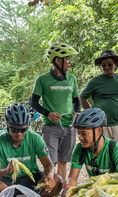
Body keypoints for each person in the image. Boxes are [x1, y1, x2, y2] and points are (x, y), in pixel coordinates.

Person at [0, 103, 63, 197]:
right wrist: (5, 170)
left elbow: (48, 165)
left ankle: (11, 196)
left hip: (33, 179)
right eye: (14, 130)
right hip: (8, 181)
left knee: (58, 181)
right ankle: (21, 195)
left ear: (28, 125)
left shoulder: (35, 138)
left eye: (23, 130)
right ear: (7, 125)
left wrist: (50, 176)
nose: (19, 134)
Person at [31, 42, 81, 182]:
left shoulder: (72, 79)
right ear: (58, 60)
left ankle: (60, 192)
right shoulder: (42, 80)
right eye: (68, 59)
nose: (70, 62)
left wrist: (77, 112)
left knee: (63, 161)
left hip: (69, 127)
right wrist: (48, 114)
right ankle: (50, 189)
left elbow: (77, 100)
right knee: (50, 162)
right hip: (51, 128)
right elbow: (33, 102)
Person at [63, 108, 118, 197]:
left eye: (84, 133)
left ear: (99, 131)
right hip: (95, 192)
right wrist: (68, 189)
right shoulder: (80, 148)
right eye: (79, 133)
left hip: (115, 194)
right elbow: (72, 178)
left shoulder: (116, 149)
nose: (80, 138)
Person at [80, 50, 118, 147]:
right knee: (102, 155)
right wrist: (92, 114)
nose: (106, 67)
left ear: (115, 64)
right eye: (103, 65)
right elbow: (82, 98)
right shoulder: (95, 81)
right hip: (102, 126)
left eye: (109, 64)